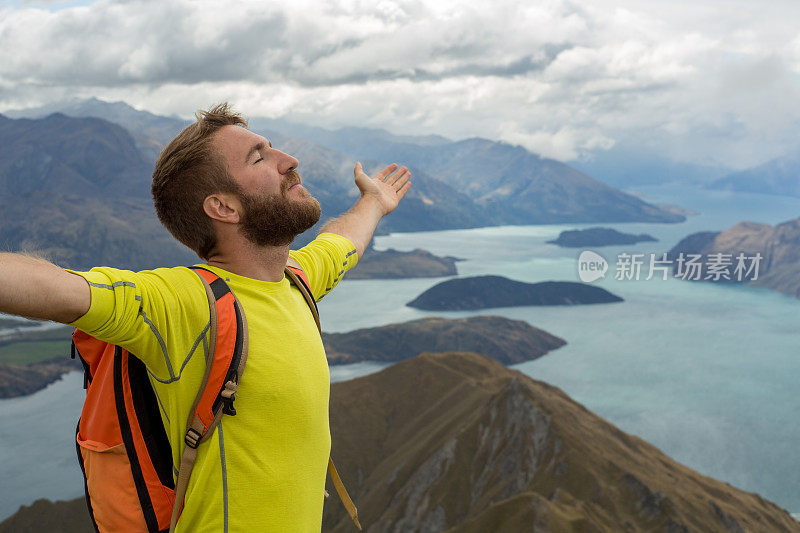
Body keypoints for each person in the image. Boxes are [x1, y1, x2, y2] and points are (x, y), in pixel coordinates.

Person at [0, 103, 411, 532]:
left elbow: (341, 244)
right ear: (223, 207)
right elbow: (62, 291)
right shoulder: (184, 305)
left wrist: (375, 202)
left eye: (273, 149)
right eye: (260, 157)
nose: (289, 161)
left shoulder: (294, 281)